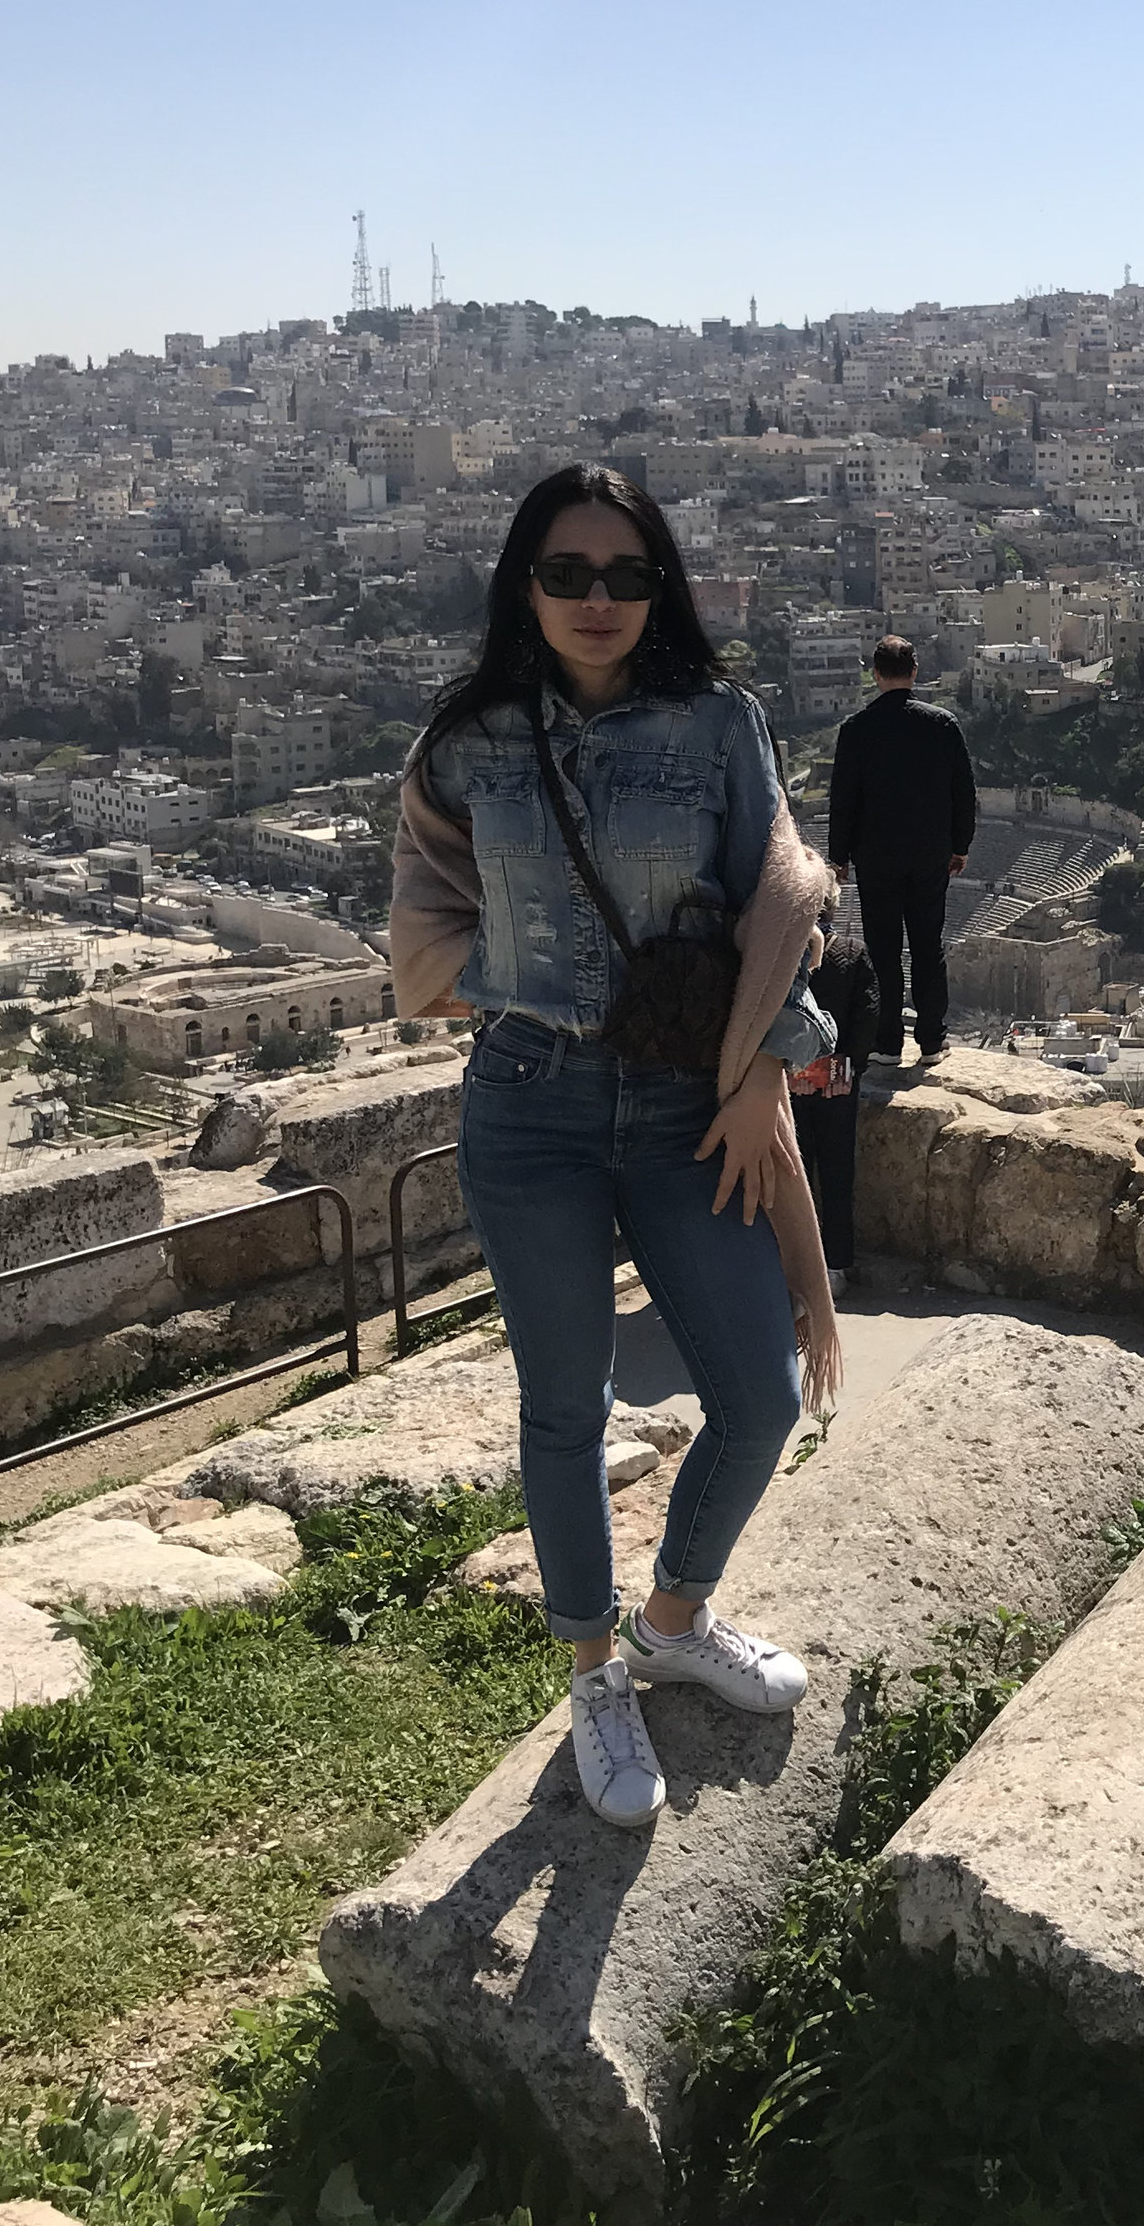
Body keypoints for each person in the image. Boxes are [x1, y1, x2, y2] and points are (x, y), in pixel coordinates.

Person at [387, 464, 842, 1833]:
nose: (598, 598)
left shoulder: (718, 725)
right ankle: (593, 1671)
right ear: (525, 583)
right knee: (564, 1407)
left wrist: (769, 1064)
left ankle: (674, 1615)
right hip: (528, 1104)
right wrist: (508, 981)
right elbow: (421, 907)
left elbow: (782, 904)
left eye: (626, 574)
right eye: (569, 572)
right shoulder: (471, 737)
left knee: (758, 1393)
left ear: (662, 589)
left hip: (679, 1103)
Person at [825, 634, 977, 1074]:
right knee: (928, 946)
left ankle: (887, 1042)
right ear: (914, 672)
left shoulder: (855, 730)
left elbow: (843, 799)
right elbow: (962, 791)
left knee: (883, 949)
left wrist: (839, 857)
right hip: (930, 855)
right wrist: (960, 845)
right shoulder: (942, 724)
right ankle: (932, 1041)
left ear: (875, 675)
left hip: (876, 858)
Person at [788, 910, 878, 1281]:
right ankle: (837, 1265)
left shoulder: (783, 952)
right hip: (838, 1085)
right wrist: (850, 1065)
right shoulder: (854, 954)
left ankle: (794, 1265)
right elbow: (869, 1012)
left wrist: (789, 1068)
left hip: (791, 1080)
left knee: (794, 1178)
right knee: (837, 1174)